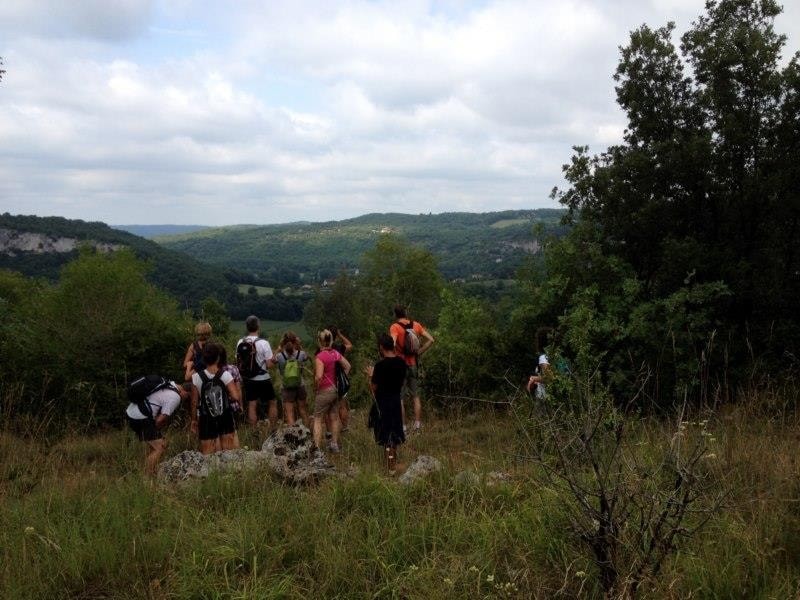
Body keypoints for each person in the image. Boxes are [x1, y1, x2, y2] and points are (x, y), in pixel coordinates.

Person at [125, 378, 189, 475]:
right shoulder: (175, 397)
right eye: (188, 397)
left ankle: (150, 471)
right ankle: (147, 476)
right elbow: (160, 420)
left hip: (133, 412)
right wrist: (155, 429)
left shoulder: (169, 384)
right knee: (161, 447)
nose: (186, 400)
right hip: (141, 417)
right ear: (185, 392)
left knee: (154, 446)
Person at [389, 305, 435, 432]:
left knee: (400, 398)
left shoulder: (394, 327)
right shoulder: (416, 325)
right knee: (416, 396)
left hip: (400, 366)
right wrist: (419, 352)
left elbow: (392, 343)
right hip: (413, 364)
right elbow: (431, 340)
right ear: (406, 313)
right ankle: (418, 425)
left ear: (395, 314)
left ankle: (403, 427)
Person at [366, 333, 407, 475]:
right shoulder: (401, 363)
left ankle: (390, 467)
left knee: (386, 436)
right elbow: (401, 383)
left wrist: (370, 376)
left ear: (381, 347)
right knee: (394, 435)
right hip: (396, 401)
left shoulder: (379, 366)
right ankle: (392, 464)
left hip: (383, 403)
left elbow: (373, 389)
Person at [191, 342, 241, 454]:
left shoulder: (196, 377)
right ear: (218, 358)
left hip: (205, 418)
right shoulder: (225, 375)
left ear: (204, 359)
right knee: (229, 452)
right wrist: (225, 397)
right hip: (225, 415)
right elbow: (235, 396)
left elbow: (194, 402)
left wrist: (194, 420)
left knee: (208, 453)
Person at [314, 329, 351, 453]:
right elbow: (348, 366)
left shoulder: (320, 356)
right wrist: (341, 379)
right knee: (334, 417)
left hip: (324, 390)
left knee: (318, 418)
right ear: (330, 340)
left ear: (319, 341)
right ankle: (334, 444)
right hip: (335, 389)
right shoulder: (335, 353)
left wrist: (316, 387)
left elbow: (319, 376)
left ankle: (317, 448)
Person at [236, 315, 276, 427]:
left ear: (247, 327)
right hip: (263, 378)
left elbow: (238, 360)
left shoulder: (240, 342)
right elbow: (269, 365)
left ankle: (253, 430)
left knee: (252, 404)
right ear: (258, 326)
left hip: (248, 379)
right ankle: (273, 429)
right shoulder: (264, 343)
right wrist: (275, 361)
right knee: (272, 402)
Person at [271, 331, 310, 426]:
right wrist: (299, 345)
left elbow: (272, 360)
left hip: (286, 386)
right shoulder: (301, 354)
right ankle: (307, 431)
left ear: (283, 342)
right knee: (303, 410)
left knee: (289, 413)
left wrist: (279, 348)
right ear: (295, 341)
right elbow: (307, 357)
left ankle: (293, 434)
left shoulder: (280, 356)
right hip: (300, 384)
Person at [327, 325, 353, 432]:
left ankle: (330, 431)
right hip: (340, 379)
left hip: (328, 380)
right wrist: (340, 334)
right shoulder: (339, 347)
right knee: (342, 405)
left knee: (329, 408)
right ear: (335, 336)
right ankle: (345, 427)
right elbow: (350, 345)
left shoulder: (322, 349)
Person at [526, 327, 553, 400]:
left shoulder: (543, 358)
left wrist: (534, 379)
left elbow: (549, 378)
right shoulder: (555, 356)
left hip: (545, 397)